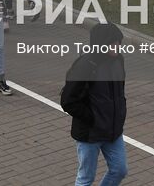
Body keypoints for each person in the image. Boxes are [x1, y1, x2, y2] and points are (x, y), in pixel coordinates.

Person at [60, 22, 129, 186]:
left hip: (113, 131)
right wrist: (93, 118)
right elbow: (68, 100)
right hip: (90, 134)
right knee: (86, 179)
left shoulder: (118, 60)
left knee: (120, 170)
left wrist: (119, 115)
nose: (117, 46)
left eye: (118, 42)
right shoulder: (85, 65)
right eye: (112, 43)